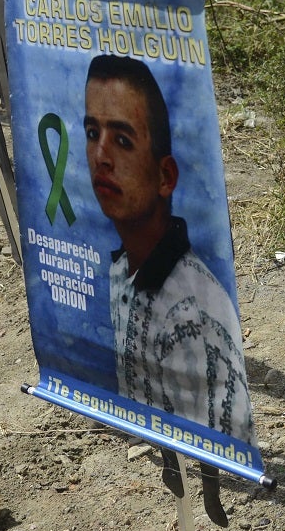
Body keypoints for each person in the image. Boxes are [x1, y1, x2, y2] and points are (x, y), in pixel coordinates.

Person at [83, 54, 254, 445]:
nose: (101, 157)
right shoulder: (122, 270)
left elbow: (220, 444)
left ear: (166, 176)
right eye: (93, 133)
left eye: (122, 140)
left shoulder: (189, 311)